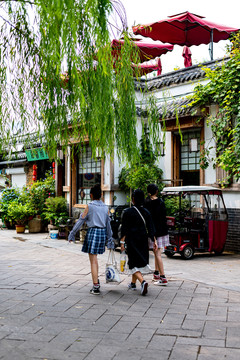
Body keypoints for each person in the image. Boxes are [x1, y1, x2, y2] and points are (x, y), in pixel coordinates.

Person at [68, 184, 114, 295]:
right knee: (95, 259)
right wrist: (110, 239)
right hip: (102, 233)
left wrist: (72, 234)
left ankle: (95, 286)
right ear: (101, 195)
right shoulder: (105, 207)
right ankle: (96, 281)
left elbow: (80, 221)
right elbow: (108, 225)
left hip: (93, 232)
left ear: (91, 195)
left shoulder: (89, 206)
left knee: (93, 260)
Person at [120, 189, 157, 296]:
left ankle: (142, 282)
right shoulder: (147, 212)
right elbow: (151, 228)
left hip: (132, 240)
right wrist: (154, 241)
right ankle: (132, 283)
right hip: (143, 240)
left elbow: (124, 229)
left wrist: (122, 243)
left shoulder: (128, 212)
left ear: (133, 199)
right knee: (137, 262)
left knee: (132, 263)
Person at [145, 183, 169, 286]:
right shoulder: (161, 202)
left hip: (153, 232)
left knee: (157, 253)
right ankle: (156, 273)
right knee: (157, 253)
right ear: (156, 191)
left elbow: (148, 220)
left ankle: (163, 277)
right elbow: (163, 217)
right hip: (162, 231)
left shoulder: (147, 203)